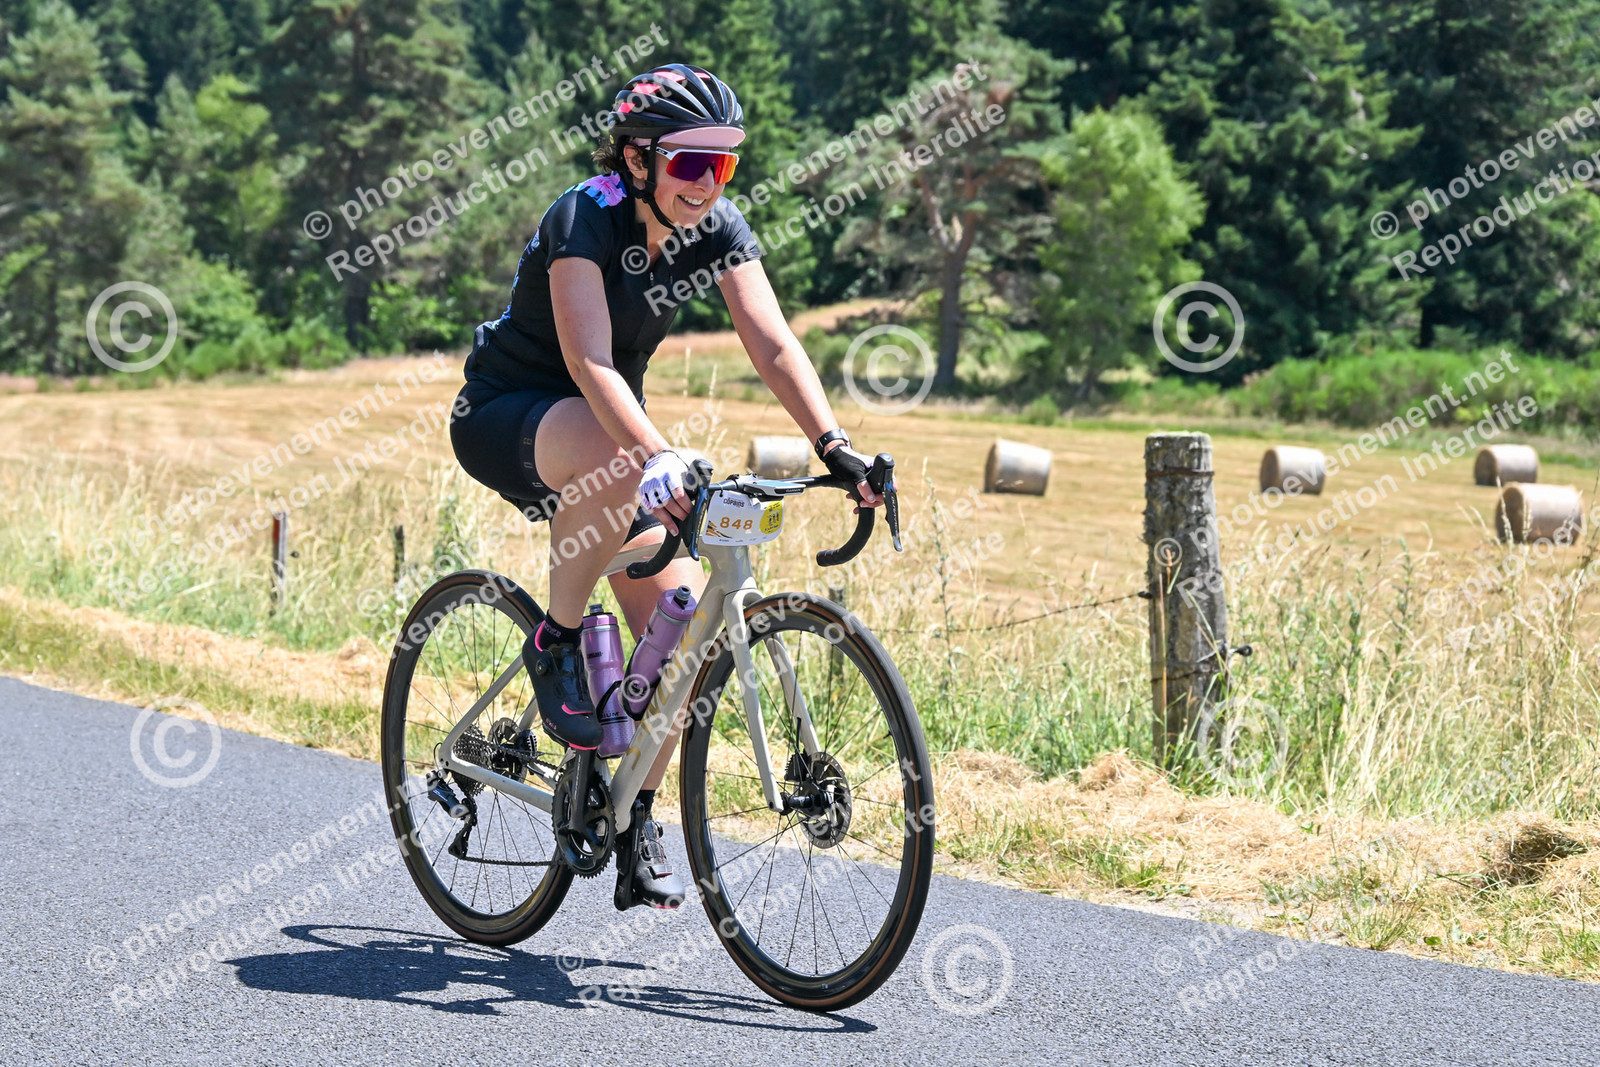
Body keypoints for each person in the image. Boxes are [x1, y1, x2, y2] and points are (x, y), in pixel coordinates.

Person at [450, 62, 883, 911]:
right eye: (690, 162)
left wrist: (834, 445)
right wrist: (653, 450)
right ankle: (555, 642)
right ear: (637, 158)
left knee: (682, 642)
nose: (707, 183)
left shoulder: (714, 226)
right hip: (510, 413)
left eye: (723, 165)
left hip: (611, 436)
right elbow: (589, 362)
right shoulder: (585, 215)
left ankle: (632, 814)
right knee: (623, 464)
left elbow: (773, 342)